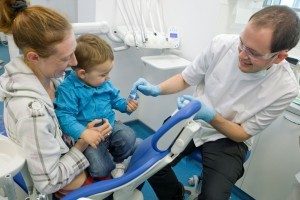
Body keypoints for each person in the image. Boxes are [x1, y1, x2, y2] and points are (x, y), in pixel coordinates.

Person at [131, 5, 300, 200]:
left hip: (230, 138)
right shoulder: (221, 44)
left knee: (214, 196)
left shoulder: (285, 88)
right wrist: (156, 89)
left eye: (253, 53)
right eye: (242, 43)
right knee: (148, 164)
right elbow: (186, 78)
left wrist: (211, 115)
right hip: (191, 119)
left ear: (279, 57)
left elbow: (242, 133)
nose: (242, 54)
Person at [0, 0, 112, 197]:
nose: (74, 63)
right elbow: (49, 183)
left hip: (76, 163)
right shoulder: (32, 112)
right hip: (70, 186)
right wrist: (83, 142)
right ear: (34, 57)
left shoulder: (50, 79)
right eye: (65, 58)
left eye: (73, 53)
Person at [55, 34, 138, 179]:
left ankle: (119, 161)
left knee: (129, 135)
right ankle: (107, 160)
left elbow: (115, 100)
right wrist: (84, 133)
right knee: (100, 170)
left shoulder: (105, 83)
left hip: (110, 126)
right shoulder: (67, 90)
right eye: (103, 74)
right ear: (82, 73)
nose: (108, 78)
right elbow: (65, 117)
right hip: (89, 137)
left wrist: (126, 106)